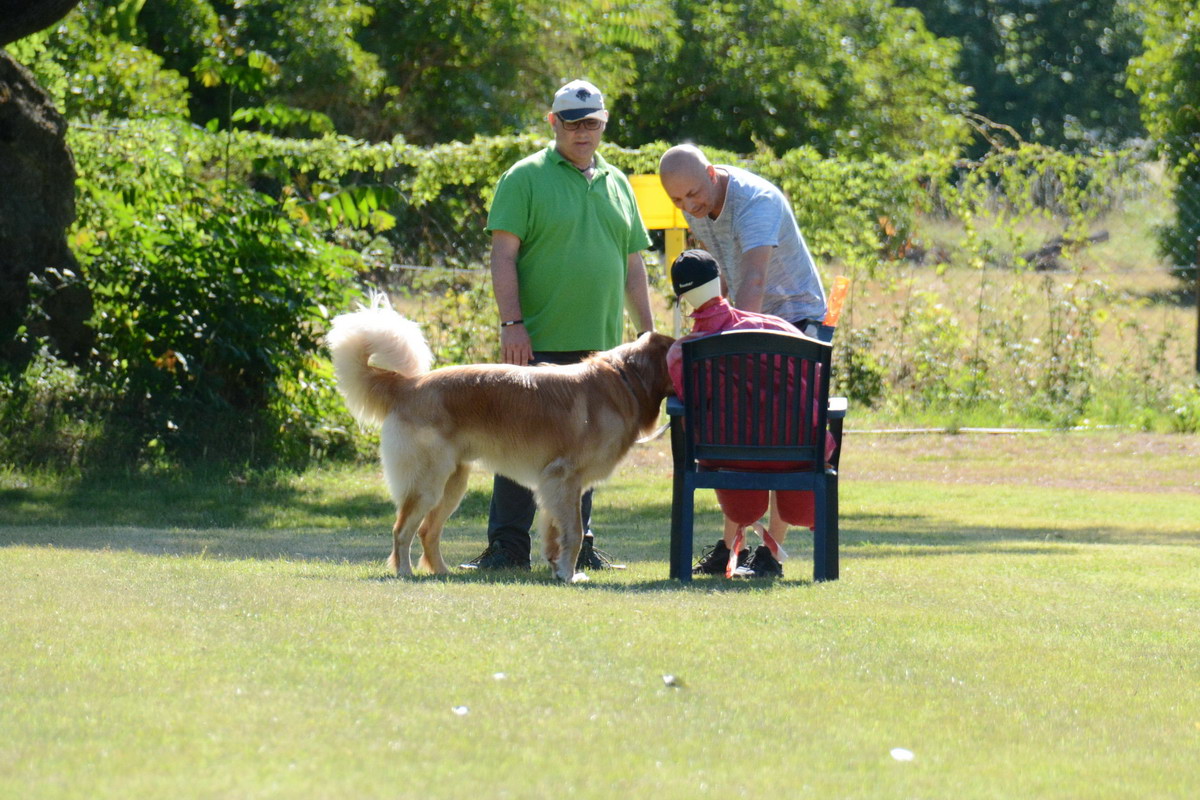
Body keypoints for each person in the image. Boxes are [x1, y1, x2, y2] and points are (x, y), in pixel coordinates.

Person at [460, 79, 656, 572]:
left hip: (603, 352)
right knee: (517, 446)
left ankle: (576, 545)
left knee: (587, 452)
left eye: (592, 122)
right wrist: (512, 324)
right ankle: (507, 548)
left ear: (603, 124)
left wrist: (647, 334)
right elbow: (503, 256)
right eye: (572, 122)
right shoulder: (523, 177)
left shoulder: (618, 183)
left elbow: (633, 264)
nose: (583, 132)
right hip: (537, 340)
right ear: (554, 123)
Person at [667, 250, 835, 578]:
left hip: (729, 459)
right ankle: (770, 557)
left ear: (682, 298)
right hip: (797, 454)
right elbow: (817, 384)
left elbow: (692, 406)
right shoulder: (778, 328)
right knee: (786, 428)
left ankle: (734, 551)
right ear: (722, 284)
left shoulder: (681, 353)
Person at [658, 144, 827, 332]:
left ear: (711, 174)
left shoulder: (755, 202)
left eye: (692, 194)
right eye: (677, 200)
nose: (688, 207)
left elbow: (754, 279)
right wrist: (709, 325)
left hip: (798, 318)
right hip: (755, 318)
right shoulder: (696, 204)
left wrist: (736, 338)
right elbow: (717, 270)